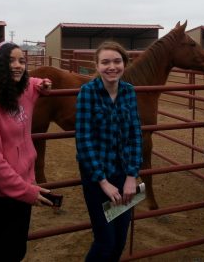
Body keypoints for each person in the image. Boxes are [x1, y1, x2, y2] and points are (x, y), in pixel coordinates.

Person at [0, 41, 53, 262]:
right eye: (10, 61)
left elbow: (32, 83)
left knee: (17, 251)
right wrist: (26, 191)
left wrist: (42, 83)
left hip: (24, 185)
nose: (18, 66)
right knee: (2, 253)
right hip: (3, 195)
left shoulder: (21, 91)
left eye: (21, 61)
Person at [75, 41, 143, 262]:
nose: (111, 67)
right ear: (97, 65)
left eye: (116, 61)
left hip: (124, 175)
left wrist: (131, 176)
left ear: (124, 63)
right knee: (105, 242)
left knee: (120, 240)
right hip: (97, 176)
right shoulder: (88, 92)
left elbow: (135, 134)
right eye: (105, 62)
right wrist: (103, 181)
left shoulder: (129, 92)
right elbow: (83, 139)